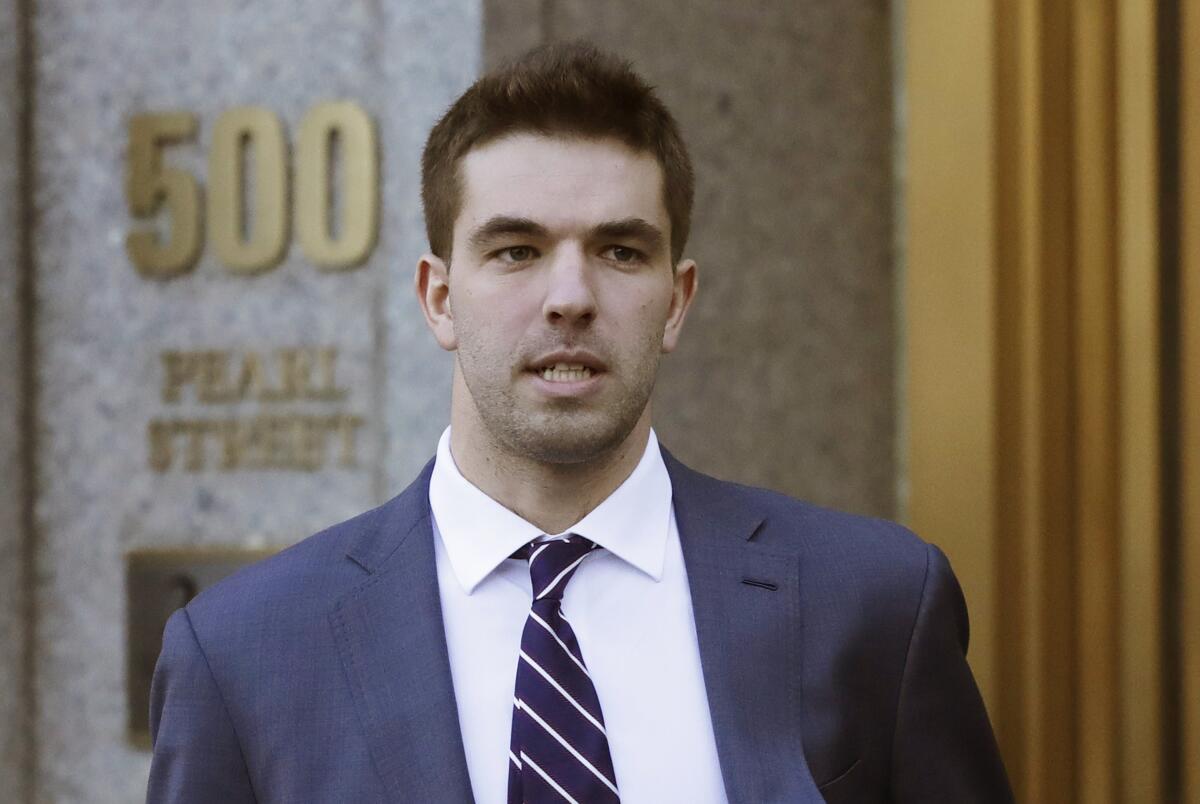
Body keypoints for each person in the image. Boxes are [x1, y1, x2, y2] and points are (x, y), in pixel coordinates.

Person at [147, 42, 1013, 803]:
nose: (571, 298)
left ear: (675, 303)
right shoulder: (243, 658)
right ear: (440, 298)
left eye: (620, 251)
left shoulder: (873, 605)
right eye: (517, 250)